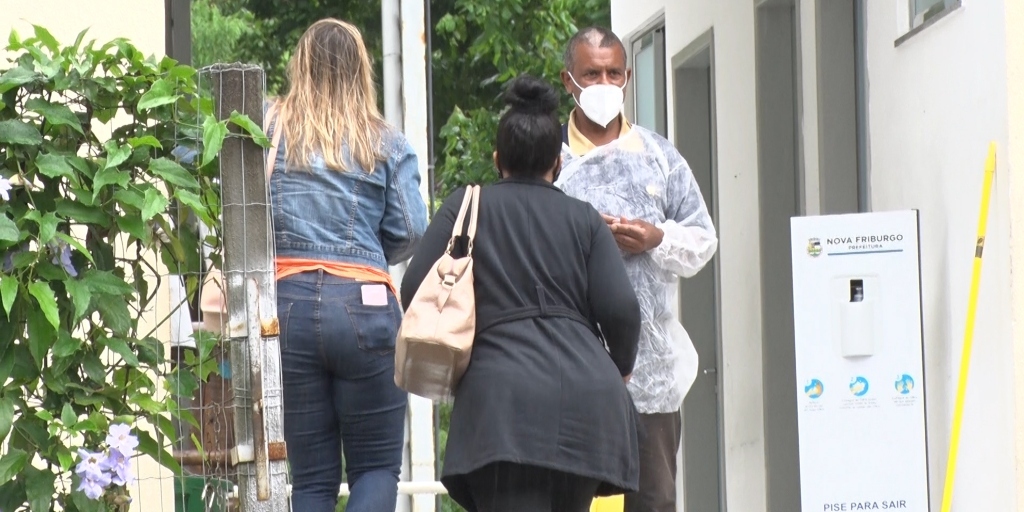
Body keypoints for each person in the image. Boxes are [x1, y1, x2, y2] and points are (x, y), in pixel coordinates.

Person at [401, 75, 642, 512]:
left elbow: (415, 288)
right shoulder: (584, 220)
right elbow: (622, 309)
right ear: (558, 163)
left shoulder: (465, 207)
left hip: (501, 406)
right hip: (587, 404)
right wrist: (620, 366)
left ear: (497, 160)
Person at [267, 18, 428, 512]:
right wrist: (367, 253)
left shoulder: (269, 127)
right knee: (376, 469)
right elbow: (413, 229)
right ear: (362, 70)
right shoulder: (385, 142)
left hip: (286, 304)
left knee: (311, 480)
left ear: (301, 66)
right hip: (366, 305)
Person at [556, 26, 719, 512]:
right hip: (571, 371)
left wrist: (656, 237)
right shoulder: (549, 159)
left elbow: (703, 239)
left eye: (612, 73)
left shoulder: (659, 158)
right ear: (569, 80)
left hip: (651, 374)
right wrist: (585, 245)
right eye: (591, 73)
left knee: (653, 500)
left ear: (627, 77)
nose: (603, 83)